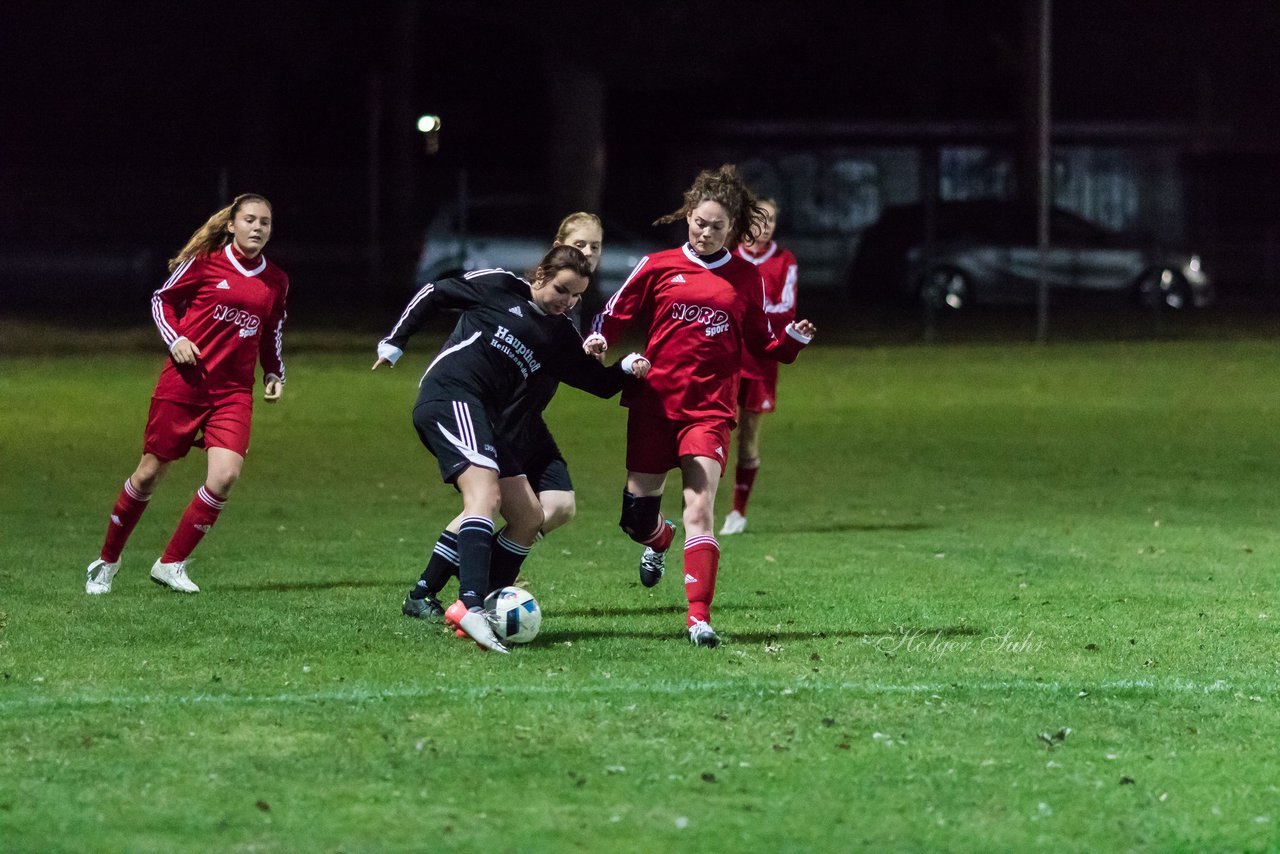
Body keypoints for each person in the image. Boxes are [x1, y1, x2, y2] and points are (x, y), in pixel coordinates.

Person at [584, 164, 817, 647]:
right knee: (635, 519)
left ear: (732, 229)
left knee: (700, 508)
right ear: (688, 216)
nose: (705, 232)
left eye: (715, 226)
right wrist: (598, 339)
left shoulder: (746, 278)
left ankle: (698, 618)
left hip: (709, 410)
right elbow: (615, 311)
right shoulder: (658, 265)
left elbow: (762, 343)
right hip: (654, 402)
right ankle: (658, 540)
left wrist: (789, 342)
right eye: (698, 222)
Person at [373, 245, 649, 653]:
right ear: (541, 276)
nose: (568, 302)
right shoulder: (499, 286)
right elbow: (435, 292)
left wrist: (626, 368)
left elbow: (600, 384)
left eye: (576, 296)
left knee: (528, 515)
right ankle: (470, 607)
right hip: (451, 395)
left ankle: (482, 598)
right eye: (562, 290)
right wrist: (396, 341)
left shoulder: (559, 334)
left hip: (487, 418)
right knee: (484, 495)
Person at [399, 213, 607, 620]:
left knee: (556, 507)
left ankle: (477, 590)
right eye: (579, 245)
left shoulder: (571, 305)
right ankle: (457, 594)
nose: (588, 252)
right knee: (487, 500)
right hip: (498, 415)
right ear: (557, 247)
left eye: (595, 247)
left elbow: (569, 366)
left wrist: (595, 358)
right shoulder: (514, 292)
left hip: (530, 421)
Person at [85, 194, 289, 595]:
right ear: (231, 225)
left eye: (265, 222)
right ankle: (106, 562)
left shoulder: (276, 280)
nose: (257, 228)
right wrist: (175, 338)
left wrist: (274, 372)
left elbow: (272, 330)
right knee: (148, 474)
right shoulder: (205, 264)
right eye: (249, 220)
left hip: (232, 394)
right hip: (185, 384)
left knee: (225, 476)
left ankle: (171, 563)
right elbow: (162, 300)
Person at [720, 197, 798, 536]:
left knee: (748, 435)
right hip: (727, 357)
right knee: (716, 429)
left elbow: (786, 308)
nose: (764, 227)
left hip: (762, 359)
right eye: (758, 220)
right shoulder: (729, 255)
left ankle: (738, 511)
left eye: (771, 221)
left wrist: (749, 310)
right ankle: (699, 504)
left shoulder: (784, 261)